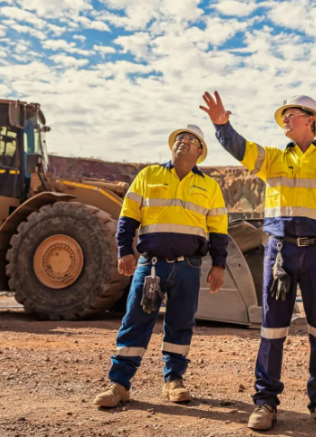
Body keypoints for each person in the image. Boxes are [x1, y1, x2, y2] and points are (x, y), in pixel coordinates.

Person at [200, 91, 316, 430]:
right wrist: (222, 126)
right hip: (280, 253)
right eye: (284, 115)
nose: (285, 120)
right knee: (272, 328)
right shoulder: (274, 158)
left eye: (292, 114)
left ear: (311, 120)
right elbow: (241, 148)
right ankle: (265, 403)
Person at [93, 124, 228, 408]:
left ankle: (173, 381)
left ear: (200, 151)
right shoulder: (148, 175)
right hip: (151, 266)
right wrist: (124, 251)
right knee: (135, 322)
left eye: (191, 140)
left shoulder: (210, 186)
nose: (184, 142)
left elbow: (218, 229)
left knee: (181, 324)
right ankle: (119, 385)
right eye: (180, 138)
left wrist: (219, 264)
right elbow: (128, 216)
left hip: (188, 267)